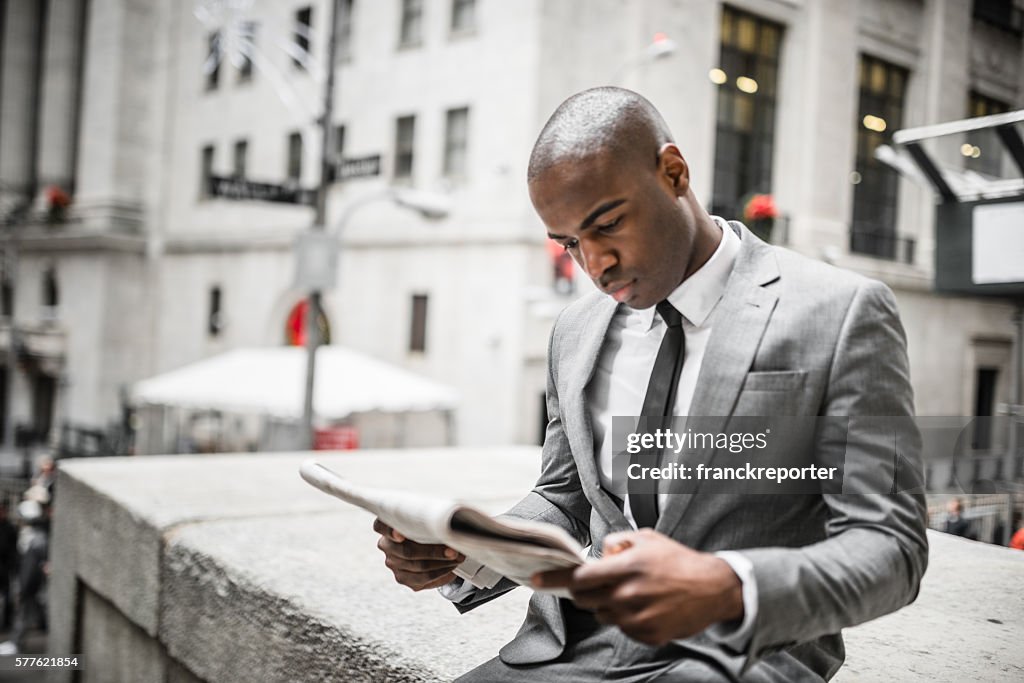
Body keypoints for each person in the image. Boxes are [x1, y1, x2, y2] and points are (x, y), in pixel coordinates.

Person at [373, 87, 928, 681]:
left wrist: (726, 586)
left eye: (607, 224)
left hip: (741, 656)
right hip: (570, 649)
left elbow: (890, 548)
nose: (594, 265)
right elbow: (568, 498)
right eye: (569, 244)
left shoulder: (840, 313)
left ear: (673, 172)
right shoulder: (576, 332)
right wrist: (468, 551)